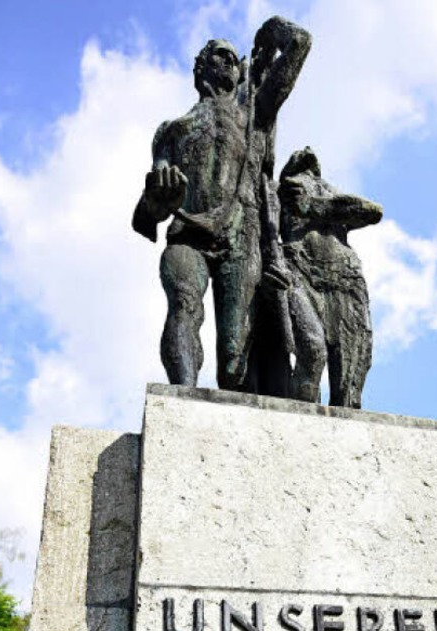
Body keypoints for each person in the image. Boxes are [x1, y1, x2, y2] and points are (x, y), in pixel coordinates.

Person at [132, 18, 311, 390]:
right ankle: (181, 397)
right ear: (201, 67)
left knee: (233, 360)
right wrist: (156, 197)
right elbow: (149, 210)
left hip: (240, 241)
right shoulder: (172, 130)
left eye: (233, 57)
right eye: (221, 56)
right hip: (187, 235)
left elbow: (300, 43)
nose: (230, 63)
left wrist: (270, 29)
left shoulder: (255, 117)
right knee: (183, 304)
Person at [262, 147, 382, 408]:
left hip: (345, 280)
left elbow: (373, 212)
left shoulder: (331, 192)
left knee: (350, 380)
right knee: (313, 351)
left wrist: (316, 206)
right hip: (299, 273)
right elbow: (260, 233)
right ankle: (300, 419)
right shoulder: (276, 190)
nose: (306, 151)